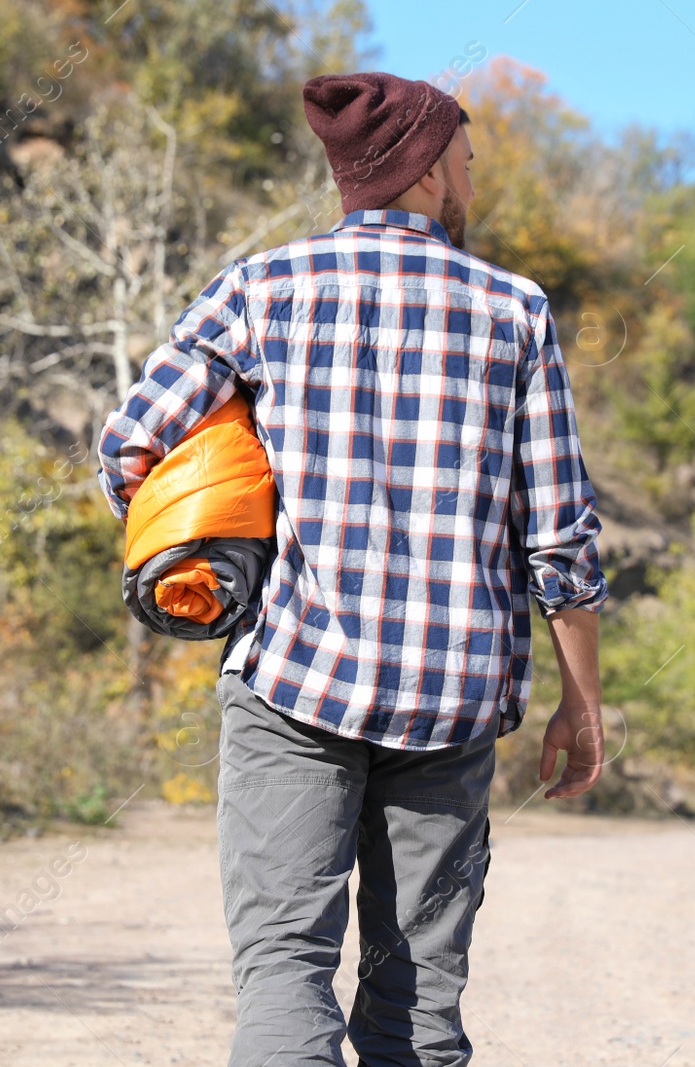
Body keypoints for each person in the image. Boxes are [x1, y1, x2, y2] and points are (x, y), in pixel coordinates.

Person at [96, 70, 608, 1067]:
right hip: (452, 699)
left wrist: (225, 561)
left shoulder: (262, 288)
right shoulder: (515, 312)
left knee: (285, 971)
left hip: (294, 681)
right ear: (421, 167)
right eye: (461, 151)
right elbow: (559, 534)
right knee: (416, 1009)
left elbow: (131, 447)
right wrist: (581, 702)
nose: (469, 170)